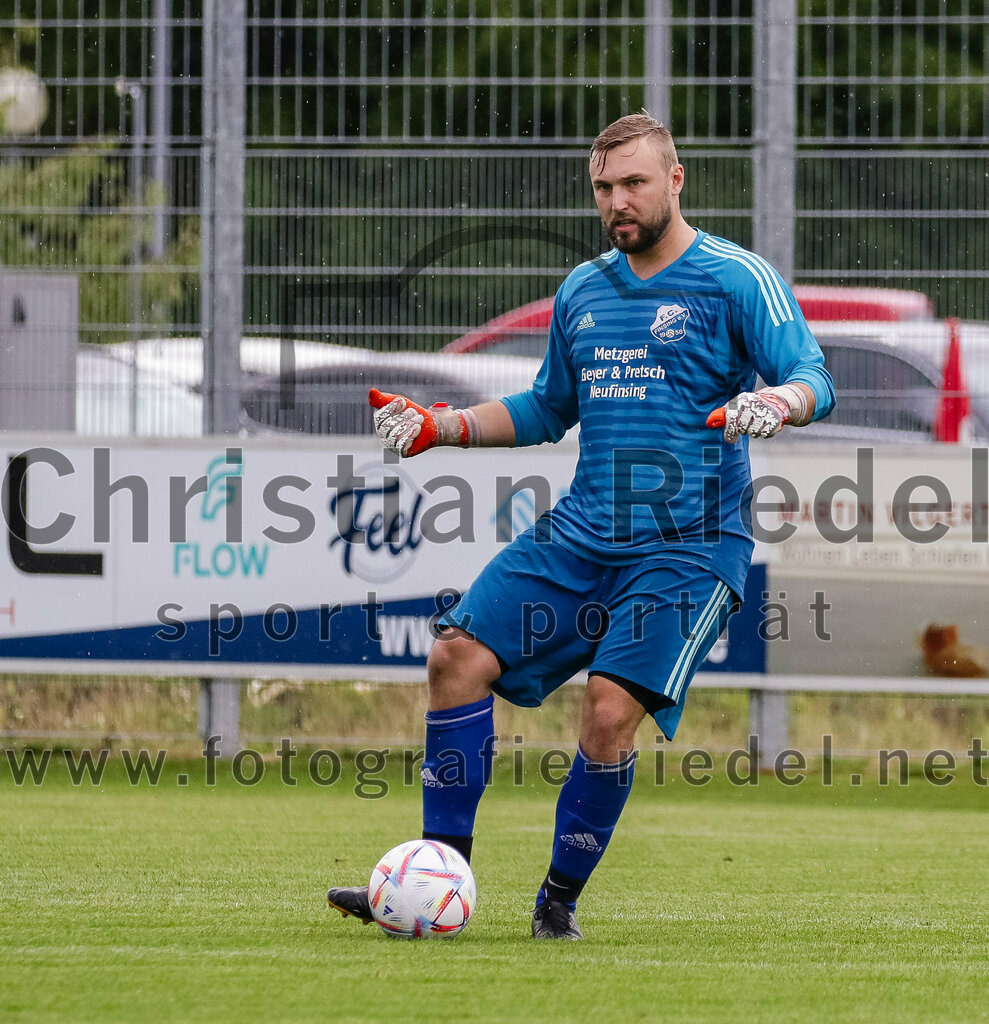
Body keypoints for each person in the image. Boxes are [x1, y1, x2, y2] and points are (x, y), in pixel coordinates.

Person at [326, 112, 835, 940]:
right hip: (581, 533)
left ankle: (556, 901)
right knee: (456, 656)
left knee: (604, 712)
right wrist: (441, 427)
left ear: (674, 181)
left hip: (690, 546)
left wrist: (775, 402)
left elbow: (814, 374)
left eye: (633, 183)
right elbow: (546, 408)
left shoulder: (738, 278)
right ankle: (435, 880)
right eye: (604, 188)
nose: (617, 202)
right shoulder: (585, 289)